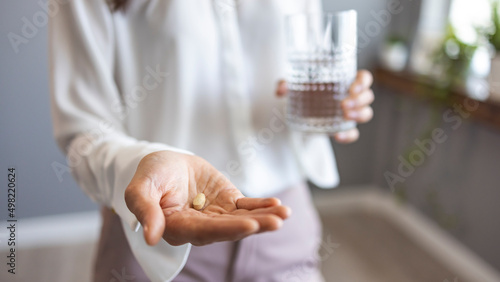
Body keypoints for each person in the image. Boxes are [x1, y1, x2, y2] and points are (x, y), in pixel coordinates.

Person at [49, 0, 374, 281]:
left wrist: (336, 107)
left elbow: (309, 72)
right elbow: (84, 129)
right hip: (159, 235)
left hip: (282, 222)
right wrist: (142, 163)